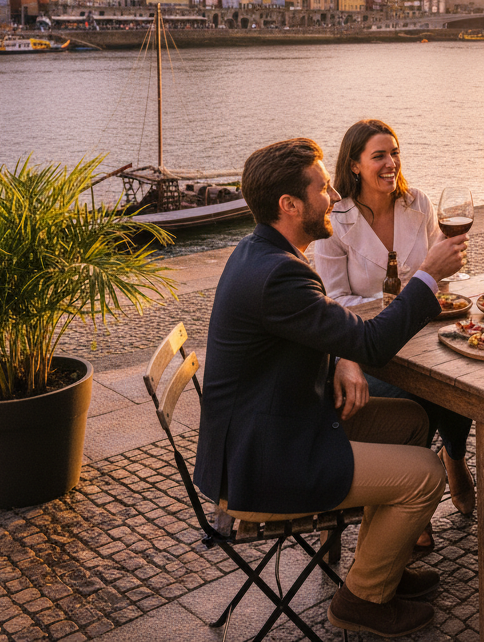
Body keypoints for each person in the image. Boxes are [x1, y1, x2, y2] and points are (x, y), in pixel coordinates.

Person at [194, 138, 467, 638]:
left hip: (282, 423)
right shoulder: (279, 274)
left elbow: (329, 337)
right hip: (265, 463)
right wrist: (426, 275)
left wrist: (338, 359)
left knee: (412, 422)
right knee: (427, 474)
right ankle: (361, 600)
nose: (334, 193)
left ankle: (383, 566)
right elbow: (373, 342)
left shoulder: (261, 251)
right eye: (322, 187)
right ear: (290, 205)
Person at [313, 119, 476, 522]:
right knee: (427, 393)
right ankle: (404, 503)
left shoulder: (417, 202)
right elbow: (334, 300)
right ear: (354, 165)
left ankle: (453, 457)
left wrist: (442, 274)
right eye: (379, 156)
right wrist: (404, 301)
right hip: (363, 345)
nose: (392, 163)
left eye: (395, 153)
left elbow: (442, 272)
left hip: (423, 331)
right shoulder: (334, 220)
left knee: (462, 372)